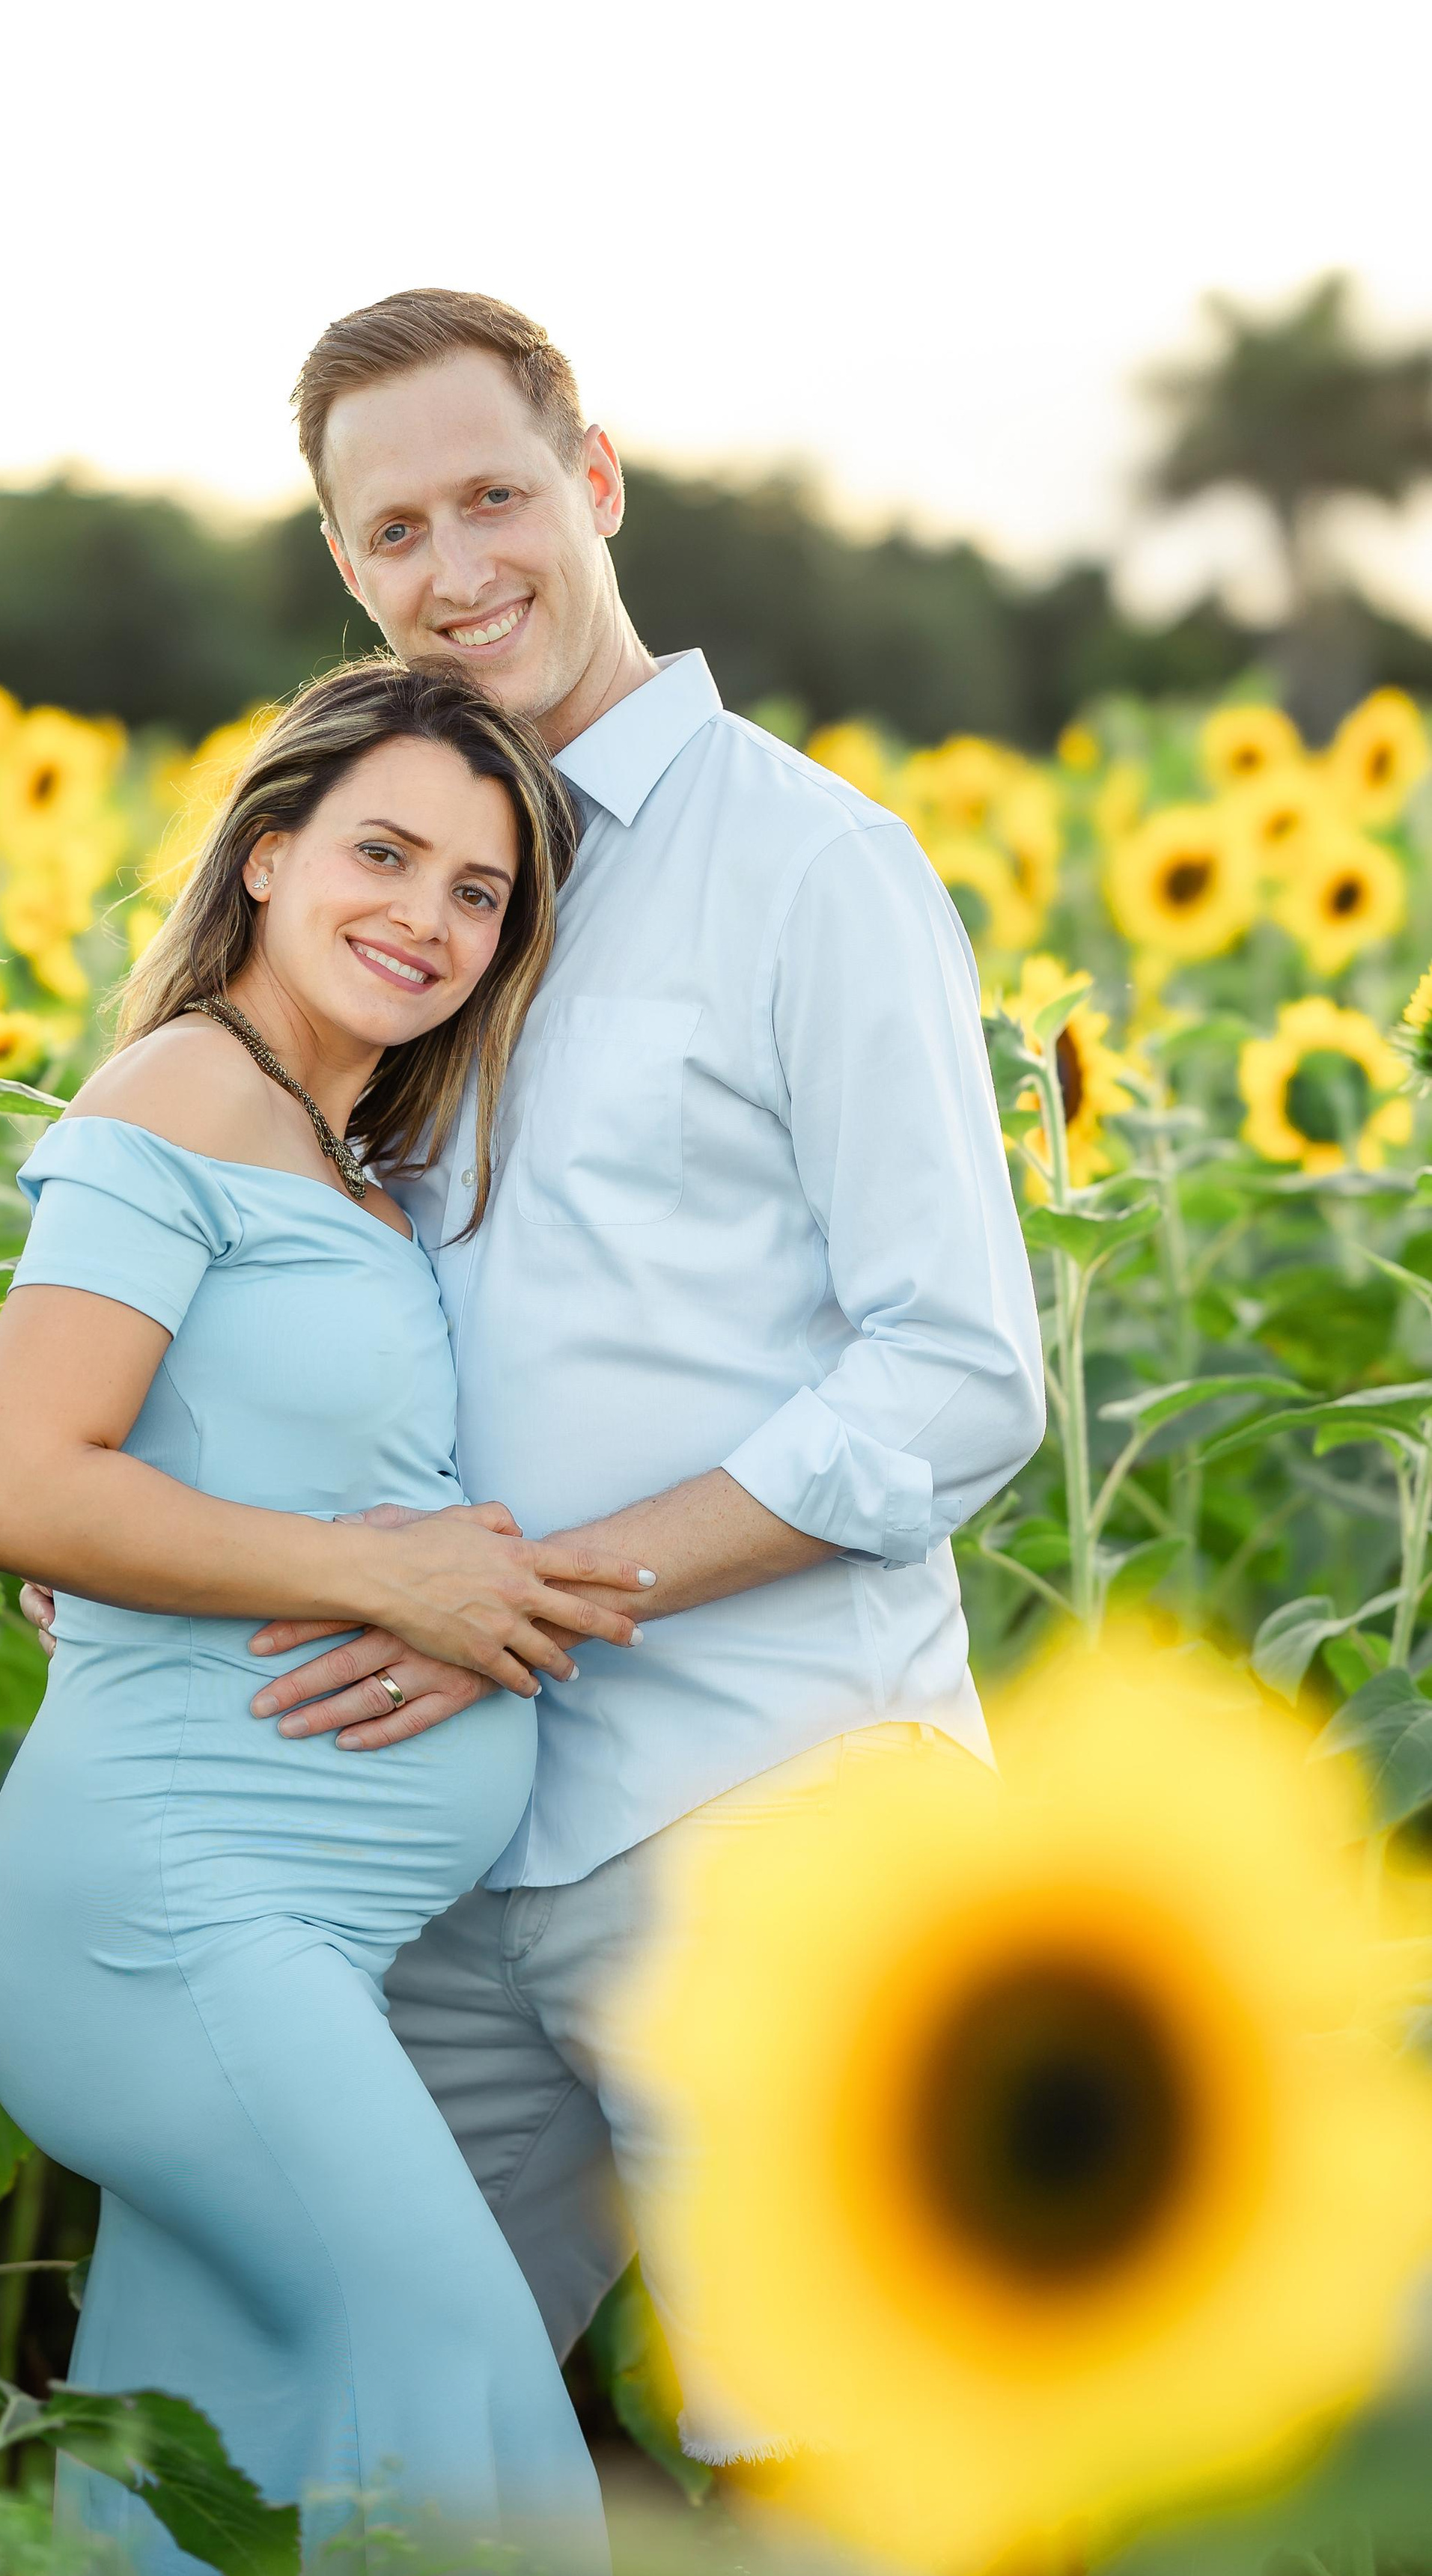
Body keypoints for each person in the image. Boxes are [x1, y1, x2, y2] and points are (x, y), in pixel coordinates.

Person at [183, 287, 1046, 2411]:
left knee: (833, 2486)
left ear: (596, 481)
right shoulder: (398, 901)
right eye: (396, 533)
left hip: (764, 1798)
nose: (458, 569)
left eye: (497, 495)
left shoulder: (810, 866)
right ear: (345, 568)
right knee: (346, 2454)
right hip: (438, 1829)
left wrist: (541, 1598)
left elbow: (958, 1375)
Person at [0, 656, 644, 2576]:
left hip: (281, 1930)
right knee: (459, 2408)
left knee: (211, 2471)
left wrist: (401, 1578)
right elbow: (7, 1481)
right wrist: (385, 1586)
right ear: (265, 854)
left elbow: (169, 1484)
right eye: (382, 854)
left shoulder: (345, 1155)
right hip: (165, 1913)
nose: (427, 916)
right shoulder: (176, 1093)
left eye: (477, 889)